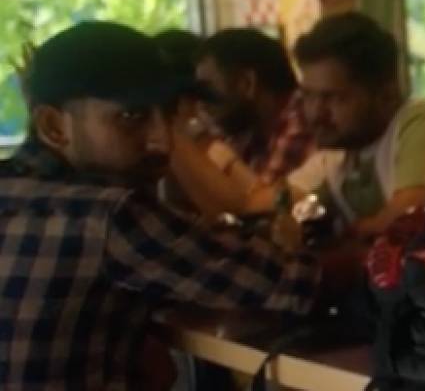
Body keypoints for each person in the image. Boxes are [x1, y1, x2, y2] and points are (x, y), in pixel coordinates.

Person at [0, 21, 356, 390]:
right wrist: (381, 258)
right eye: (131, 117)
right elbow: (299, 281)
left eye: (169, 116)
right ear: (54, 126)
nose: (162, 142)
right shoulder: (110, 215)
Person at [286, 12, 425, 239]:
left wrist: (347, 237)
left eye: (334, 98)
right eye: (308, 96)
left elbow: (406, 222)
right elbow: (285, 205)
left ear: (386, 94)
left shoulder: (424, 123)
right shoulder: (340, 157)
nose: (316, 113)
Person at [165, 28, 316, 219]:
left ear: (246, 83)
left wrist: (200, 142)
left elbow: (262, 211)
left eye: (207, 90)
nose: (200, 102)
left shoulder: (300, 121)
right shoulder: (249, 128)